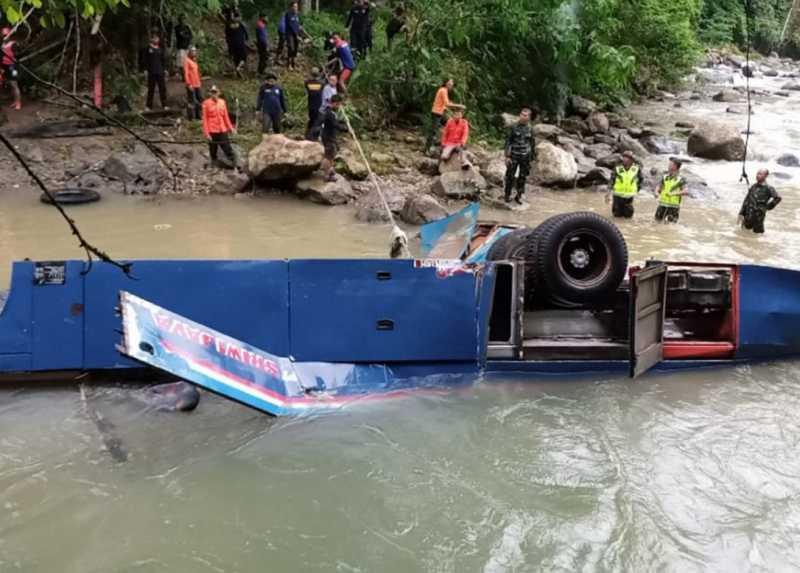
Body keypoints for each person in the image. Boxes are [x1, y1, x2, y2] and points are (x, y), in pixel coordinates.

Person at [504, 107, 536, 204]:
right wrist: (507, 156)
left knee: (522, 177)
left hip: (525, 156)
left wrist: (532, 158)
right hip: (514, 155)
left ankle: (519, 196)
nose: (523, 117)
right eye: (522, 114)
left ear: (529, 117)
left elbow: (532, 143)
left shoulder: (531, 129)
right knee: (510, 176)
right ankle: (507, 195)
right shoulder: (513, 127)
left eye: (525, 115)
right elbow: (508, 142)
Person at [739, 168, 782, 234]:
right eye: (757, 173)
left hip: (758, 217)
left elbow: (778, 198)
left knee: (758, 236)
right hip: (748, 216)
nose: (757, 175)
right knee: (743, 233)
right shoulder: (753, 186)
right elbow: (746, 200)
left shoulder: (768, 188)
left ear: (765, 176)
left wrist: (768, 207)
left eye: (760, 174)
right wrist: (741, 213)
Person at [202, 85, 237, 166]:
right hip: (212, 130)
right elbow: (205, 119)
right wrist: (207, 133)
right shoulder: (206, 103)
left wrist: (231, 128)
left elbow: (226, 117)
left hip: (222, 129)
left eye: (215, 92)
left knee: (227, 147)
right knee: (213, 149)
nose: (214, 94)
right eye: (212, 92)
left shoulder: (222, 102)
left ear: (219, 93)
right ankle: (214, 163)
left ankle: (235, 164)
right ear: (210, 93)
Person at [607, 150, 644, 218]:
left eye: (627, 158)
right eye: (624, 157)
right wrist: (608, 193)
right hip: (617, 196)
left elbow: (641, 179)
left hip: (629, 197)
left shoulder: (636, 168)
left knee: (628, 215)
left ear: (631, 160)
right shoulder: (617, 168)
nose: (624, 159)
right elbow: (612, 180)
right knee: (616, 215)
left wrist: (637, 189)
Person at [320, 94, 347, 181]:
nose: (339, 107)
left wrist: (342, 121)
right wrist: (345, 129)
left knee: (331, 155)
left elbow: (335, 121)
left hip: (329, 136)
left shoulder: (331, 112)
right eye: (339, 104)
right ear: (335, 103)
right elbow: (334, 124)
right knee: (328, 156)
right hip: (328, 137)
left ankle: (330, 171)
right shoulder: (329, 113)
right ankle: (326, 175)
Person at [654, 158, 689, 223]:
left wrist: (673, 194)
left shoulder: (681, 179)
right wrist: (656, 192)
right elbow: (659, 186)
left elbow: (686, 191)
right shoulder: (665, 177)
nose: (668, 166)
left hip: (673, 207)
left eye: (670, 164)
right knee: (656, 223)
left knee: (670, 227)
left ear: (675, 166)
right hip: (662, 205)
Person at [425, 78, 454, 151]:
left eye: (452, 84)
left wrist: (452, 106)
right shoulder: (443, 90)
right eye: (449, 83)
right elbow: (447, 103)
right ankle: (427, 148)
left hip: (441, 112)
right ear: (446, 83)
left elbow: (444, 103)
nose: (451, 85)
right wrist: (458, 106)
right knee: (433, 130)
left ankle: (444, 143)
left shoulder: (444, 90)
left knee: (450, 124)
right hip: (436, 112)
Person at [144, 32, 168, 111]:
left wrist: (165, 70)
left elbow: (163, 60)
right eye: (154, 38)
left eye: (157, 38)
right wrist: (146, 70)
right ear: (151, 39)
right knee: (151, 89)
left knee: (162, 88)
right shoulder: (148, 49)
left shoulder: (160, 49)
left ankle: (164, 104)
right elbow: (145, 60)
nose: (156, 40)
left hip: (160, 71)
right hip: (151, 72)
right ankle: (148, 106)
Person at [1, 27, 21, 110]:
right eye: (3, 35)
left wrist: (15, 58)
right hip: (5, 66)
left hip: (13, 67)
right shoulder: (2, 45)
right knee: (10, 84)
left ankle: (18, 103)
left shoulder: (14, 44)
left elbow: (18, 55)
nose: (5, 37)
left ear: (9, 35)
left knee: (14, 84)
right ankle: (15, 101)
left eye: (6, 35)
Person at [183, 46, 202, 120]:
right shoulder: (187, 61)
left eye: (195, 51)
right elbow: (186, 73)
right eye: (192, 51)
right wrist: (188, 84)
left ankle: (198, 115)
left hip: (197, 84)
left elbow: (197, 72)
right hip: (191, 84)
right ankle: (191, 117)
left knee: (199, 99)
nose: (194, 52)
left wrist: (199, 81)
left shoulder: (194, 61)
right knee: (192, 101)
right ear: (189, 52)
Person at [304, 67, 324, 139]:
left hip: (311, 105)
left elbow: (306, 83)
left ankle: (308, 134)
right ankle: (312, 136)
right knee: (317, 121)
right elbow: (323, 84)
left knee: (312, 119)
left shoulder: (307, 82)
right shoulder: (321, 83)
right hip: (318, 105)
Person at [284, 1, 304, 70]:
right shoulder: (288, 14)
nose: (296, 8)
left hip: (296, 34)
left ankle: (293, 63)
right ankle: (289, 64)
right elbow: (291, 26)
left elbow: (298, 25)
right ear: (291, 7)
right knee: (291, 48)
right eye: (295, 6)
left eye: (297, 6)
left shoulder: (297, 15)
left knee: (295, 48)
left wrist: (300, 32)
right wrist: (297, 36)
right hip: (290, 34)